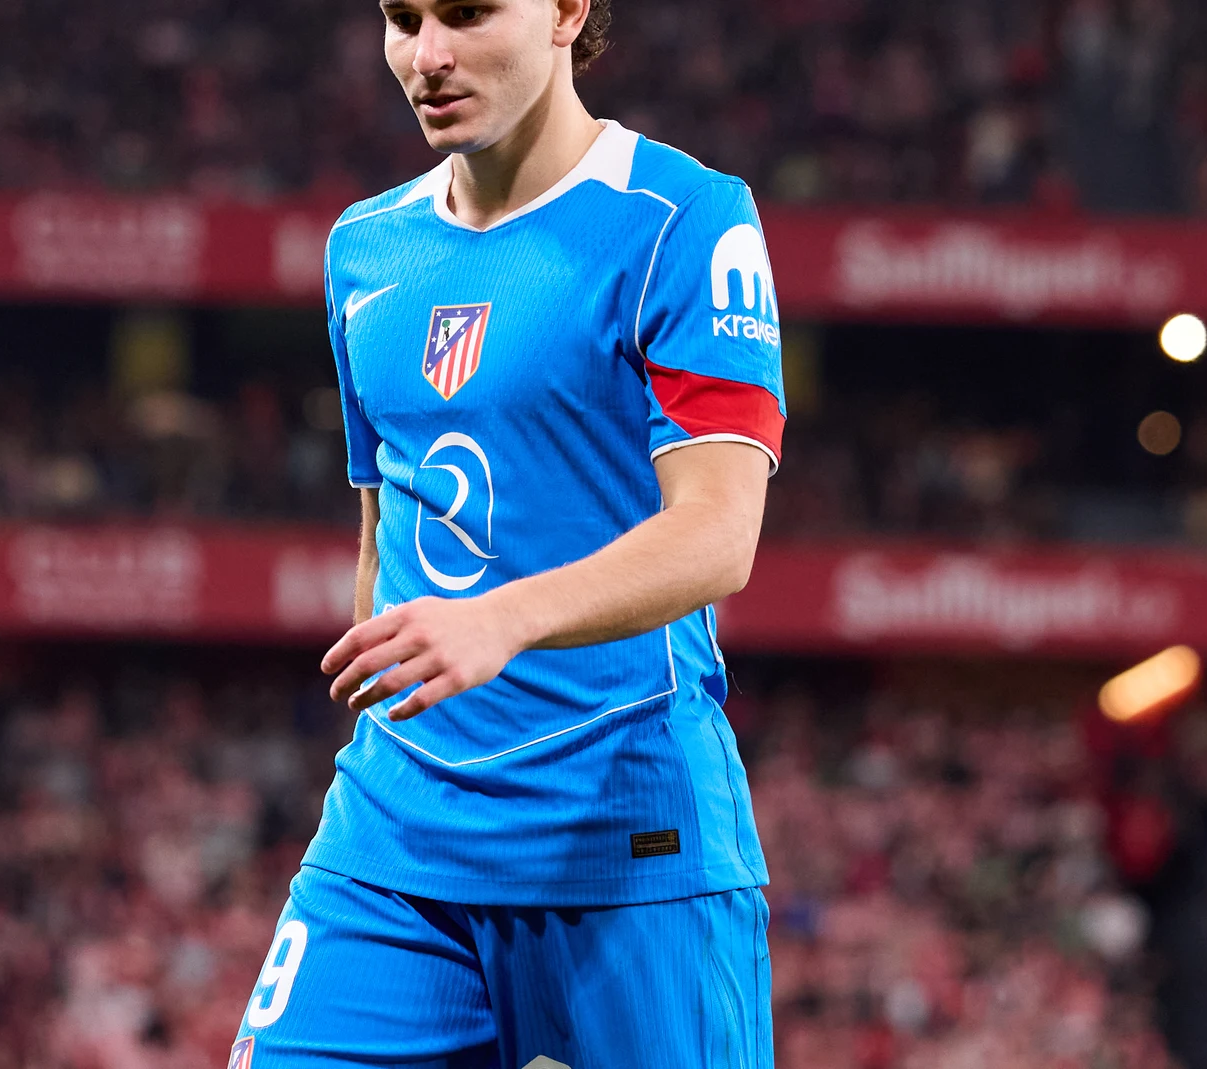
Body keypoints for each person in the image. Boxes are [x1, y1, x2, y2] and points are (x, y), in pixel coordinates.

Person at [231, 1, 785, 1065]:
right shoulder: (365, 248)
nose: (427, 56)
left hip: (627, 838)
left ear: (569, 11)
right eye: (403, 18)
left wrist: (505, 621)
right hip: (396, 835)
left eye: (469, 12)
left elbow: (718, 534)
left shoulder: (682, 219)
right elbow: (385, 521)